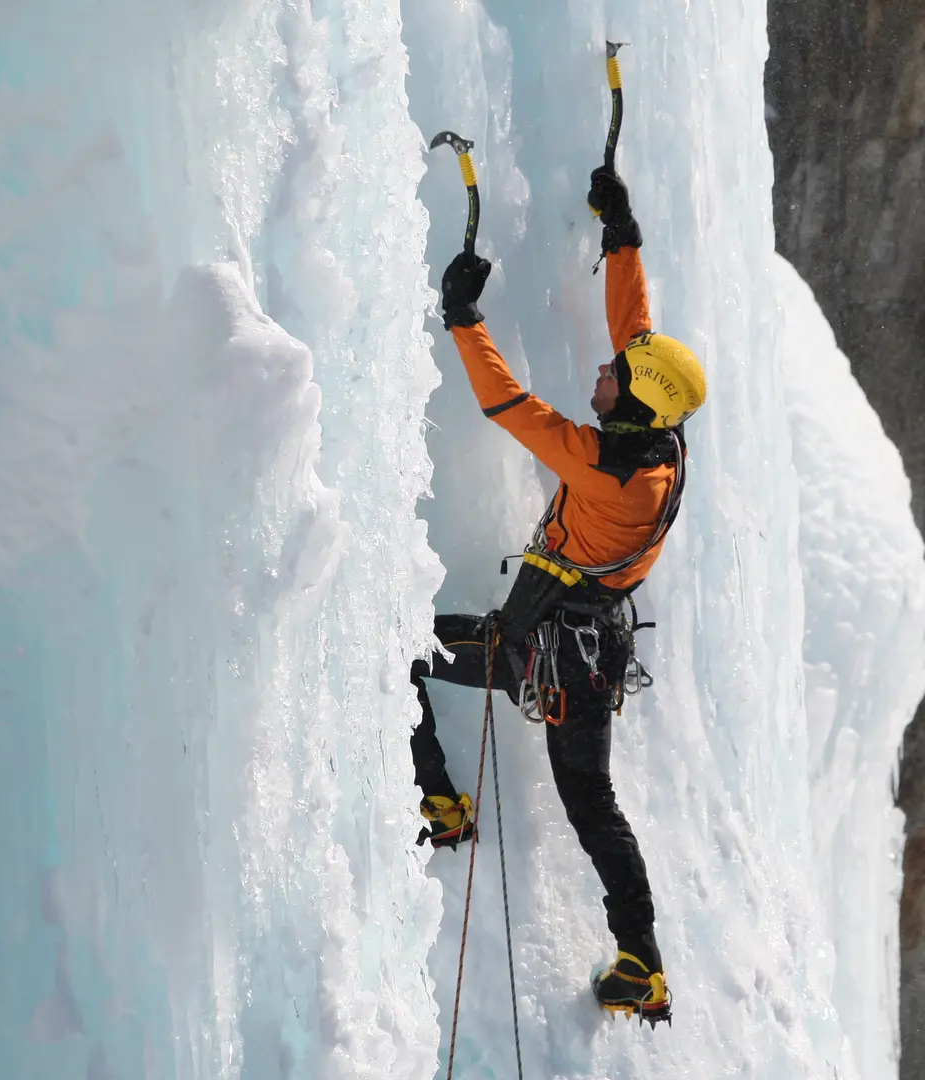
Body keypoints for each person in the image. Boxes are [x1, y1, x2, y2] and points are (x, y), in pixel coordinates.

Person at [408, 162, 705, 1026]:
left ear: (632, 407)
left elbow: (509, 405)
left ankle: (443, 805)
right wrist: (623, 236)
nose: (605, 372)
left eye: (615, 376)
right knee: (592, 806)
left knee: (401, 655)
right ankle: (641, 963)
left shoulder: (608, 466)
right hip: (584, 652)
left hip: (547, 652)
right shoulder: (659, 441)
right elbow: (640, 334)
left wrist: (462, 319)